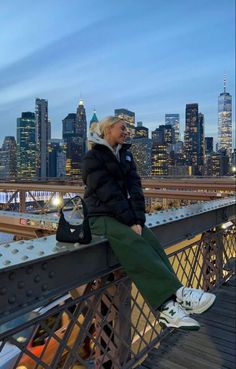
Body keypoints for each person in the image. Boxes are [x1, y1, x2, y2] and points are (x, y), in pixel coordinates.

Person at [82, 116, 216, 330]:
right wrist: (129, 221)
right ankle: (169, 302)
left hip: (120, 215)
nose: (127, 131)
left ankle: (173, 303)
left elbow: (135, 189)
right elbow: (109, 193)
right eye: (123, 127)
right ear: (108, 129)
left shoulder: (125, 155)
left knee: (149, 240)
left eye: (128, 128)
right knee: (132, 241)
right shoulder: (93, 157)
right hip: (99, 217)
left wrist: (138, 219)